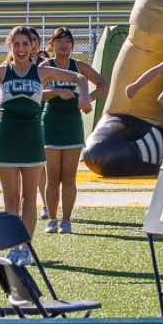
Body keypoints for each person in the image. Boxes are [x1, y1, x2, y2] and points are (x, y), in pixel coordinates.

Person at [0, 27, 80, 223]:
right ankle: (20, 238)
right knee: (12, 199)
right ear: (10, 46)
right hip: (8, 135)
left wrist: (83, 96)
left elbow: (78, 77)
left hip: (34, 131)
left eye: (26, 43)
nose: (21, 48)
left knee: (32, 194)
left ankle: (35, 232)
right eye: (17, 44)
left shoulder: (43, 67)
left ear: (34, 45)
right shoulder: (4, 69)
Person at [40, 27, 108, 234]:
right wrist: (55, 92)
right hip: (50, 123)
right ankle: (52, 219)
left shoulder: (79, 66)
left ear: (72, 45)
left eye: (67, 41)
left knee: (69, 177)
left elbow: (103, 84)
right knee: (52, 177)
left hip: (72, 123)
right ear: (52, 44)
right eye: (59, 41)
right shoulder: (45, 66)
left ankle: (66, 220)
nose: (63, 45)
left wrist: (86, 99)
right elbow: (34, 93)